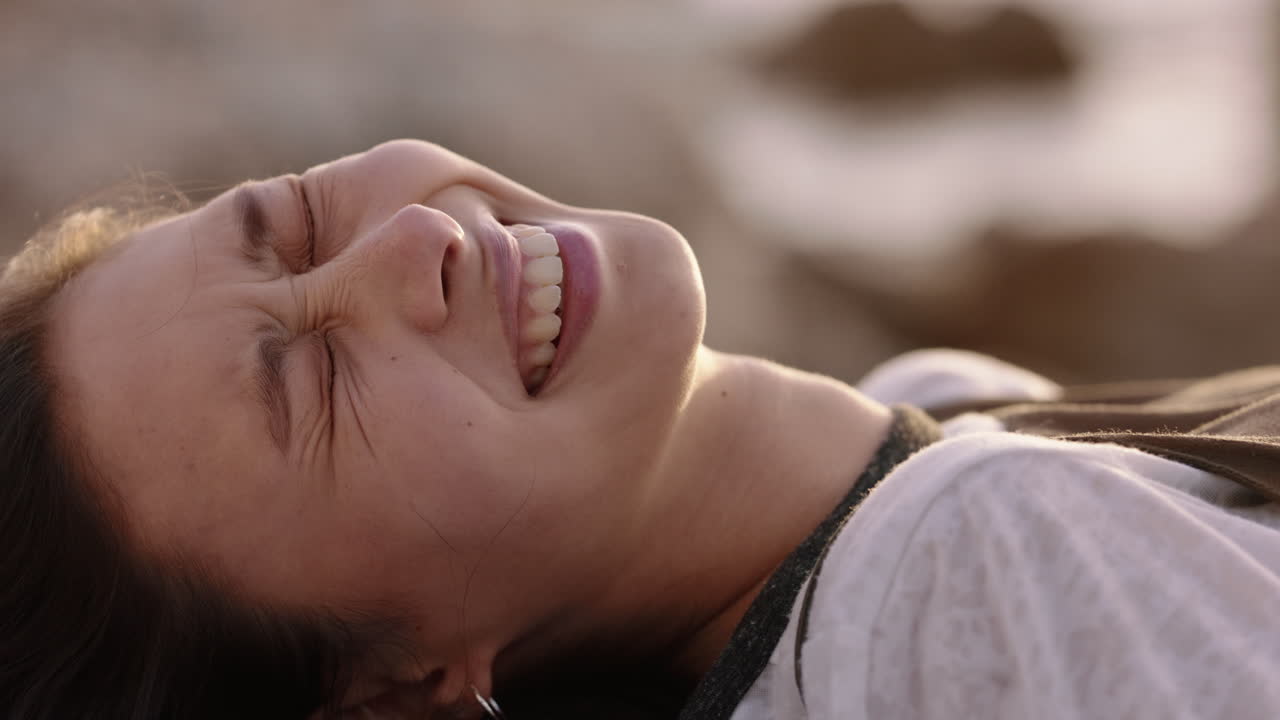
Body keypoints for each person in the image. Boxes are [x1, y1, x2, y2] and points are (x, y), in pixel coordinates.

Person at [2, 139, 1277, 720]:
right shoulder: (976, 566)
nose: (413, 241)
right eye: (316, 388)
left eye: (295, 219)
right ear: (396, 689)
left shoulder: (932, 429)